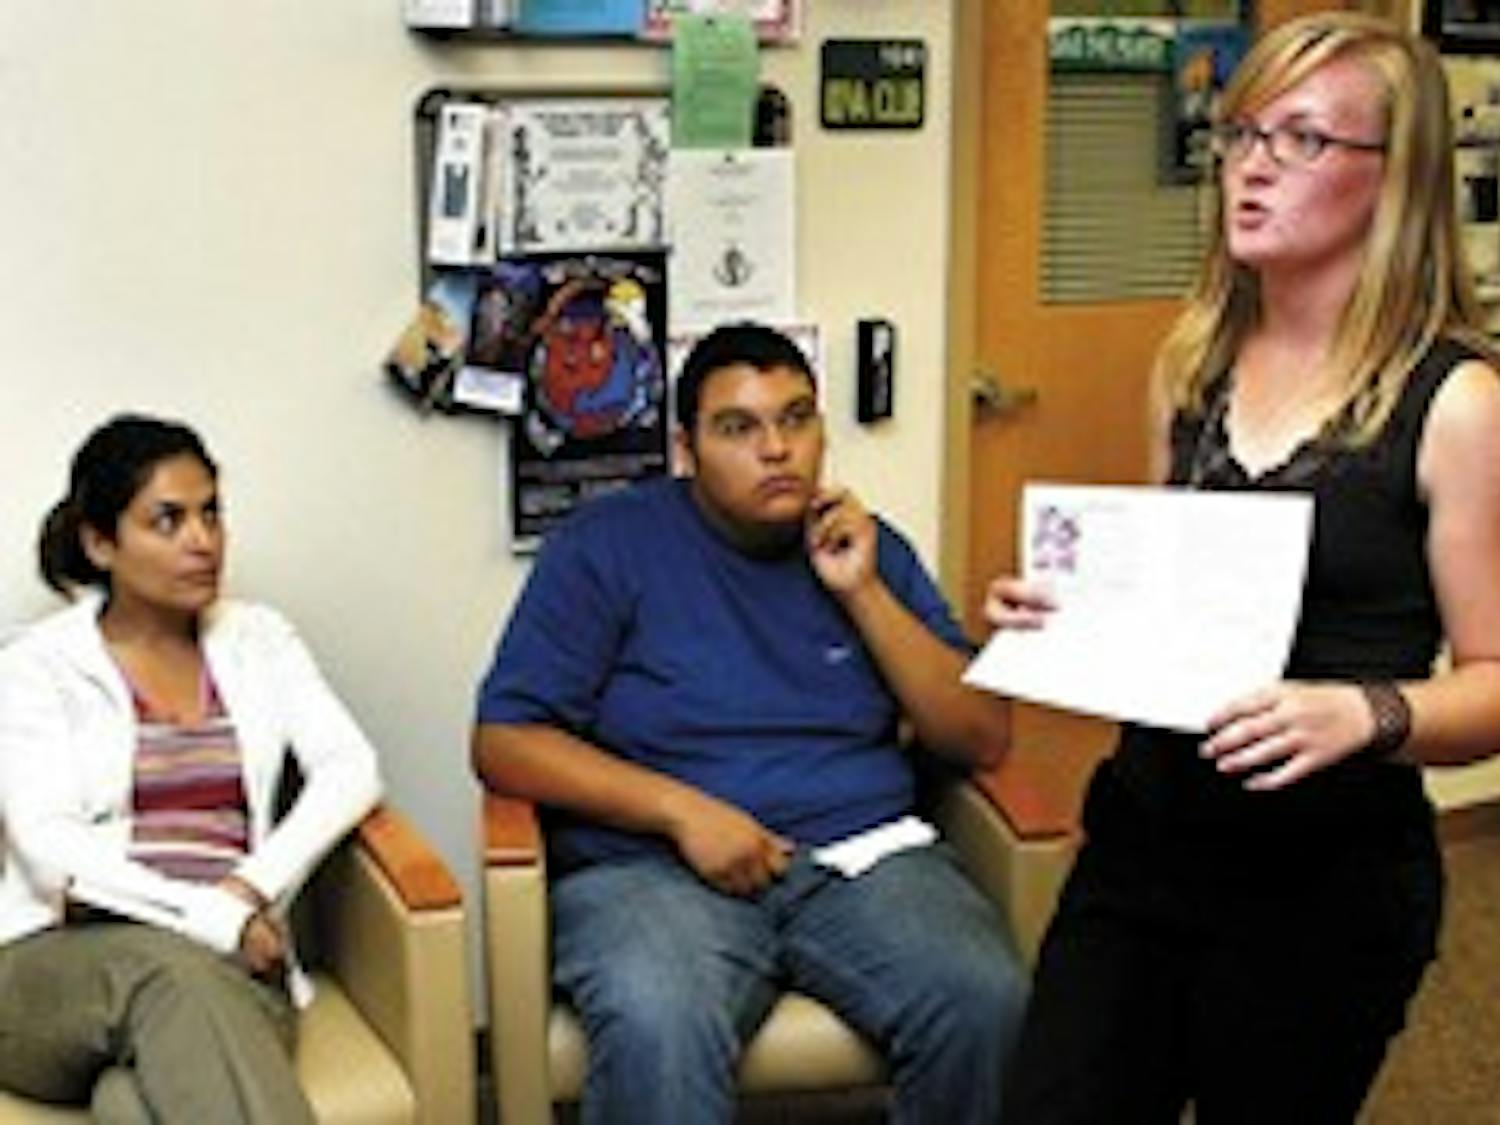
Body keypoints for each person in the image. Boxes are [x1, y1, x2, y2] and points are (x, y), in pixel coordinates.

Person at [987, 14, 1500, 1123]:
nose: (1253, 165)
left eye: (1304, 139)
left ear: (1394, 179)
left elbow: (1496, 680)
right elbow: (1174, 613)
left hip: (1325, 887)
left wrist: (1367, 713)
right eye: (1242, 132)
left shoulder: (1456, 406)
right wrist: (1071, 613)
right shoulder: (1191, 370)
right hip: (1144, 845)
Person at [473, 321, 1027, 1125]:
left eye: (797, 418)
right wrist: (681, 810)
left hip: (857, 858)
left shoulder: (869, 548)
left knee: (985, 998)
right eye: (739, 427)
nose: (777, 449)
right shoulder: (605, 547)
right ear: (686, 449)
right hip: (653, 871)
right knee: (659, 1018)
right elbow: (504, 740)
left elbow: (981, 736)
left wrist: (862, 590)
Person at [0, 415, 382, 1123]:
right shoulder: (36, 666)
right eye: (168, 520)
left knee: (133, 1105)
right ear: (100, 541)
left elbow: (351, 766)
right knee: (165, 970)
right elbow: (48, 844)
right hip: (53, 968)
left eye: (211, 513)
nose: (203, 540)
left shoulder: (259, 639)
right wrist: (212, 916)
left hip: (235, 966)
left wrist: (247, 891)